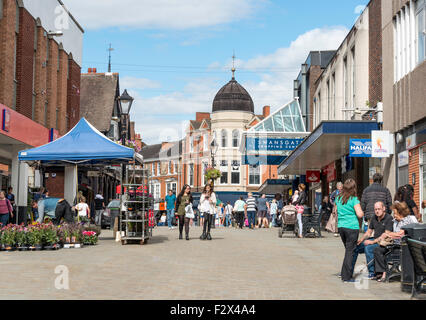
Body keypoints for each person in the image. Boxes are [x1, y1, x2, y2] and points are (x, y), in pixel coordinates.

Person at [373, 201, 418, 282]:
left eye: (396, 213)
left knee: (381, 250)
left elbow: (401, 234)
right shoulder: (395, 221)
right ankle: (382, 272)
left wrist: (389, 234)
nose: (394, 215)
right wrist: (389, 235)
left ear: (401, 213)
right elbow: (393, 233)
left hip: (403, 247)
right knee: (377, 250)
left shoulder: (407, 220)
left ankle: (384, 274)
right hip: (394, 245)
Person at [352, 201, 393, 280]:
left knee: (368, 248)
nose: (377, 211)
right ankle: (350, 270)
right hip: (375, 239)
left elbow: (385, 235)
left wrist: (372, 242)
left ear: (383, 208)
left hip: (383, 243)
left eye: (379, 209)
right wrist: (361, 239)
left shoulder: (389, 218)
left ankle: (372, 272)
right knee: (356, 247)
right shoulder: (374, 217)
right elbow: (369, 232)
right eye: (375, 209)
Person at [335, 179, 364, 282]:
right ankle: (346, 277)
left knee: (348, 251)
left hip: (341, 227)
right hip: (352, 227)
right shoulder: (354, 199)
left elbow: (336, 212)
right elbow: (360, 214)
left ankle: (344, 273)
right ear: (353, 188)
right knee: (350, 252)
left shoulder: (338, 198)